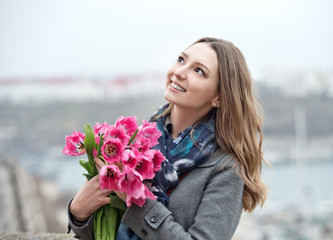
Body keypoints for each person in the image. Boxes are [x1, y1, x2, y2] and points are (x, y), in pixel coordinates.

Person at [67, 37, 268, 240]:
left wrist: (137, 199)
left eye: (199, 71)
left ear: (219, 97)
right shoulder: (134, 141)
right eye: (181, 60)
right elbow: (106, 230)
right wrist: (78, 214)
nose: (179, 72)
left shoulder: (225, 168)